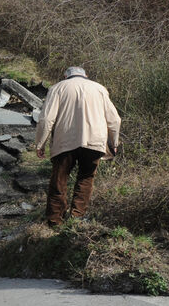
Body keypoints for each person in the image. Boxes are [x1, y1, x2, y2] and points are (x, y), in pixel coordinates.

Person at [34, 66, 121, 227]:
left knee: (59, 180)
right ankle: (77, 217)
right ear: (86, 75)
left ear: (65, 75)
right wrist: (114, 143)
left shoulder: (57, 88)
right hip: (94, 142)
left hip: (65, 141)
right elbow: (115, 120)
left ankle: (55, 221)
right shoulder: (100, 89)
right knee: (86, 178)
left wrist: (40, 144)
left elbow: (46, 120)